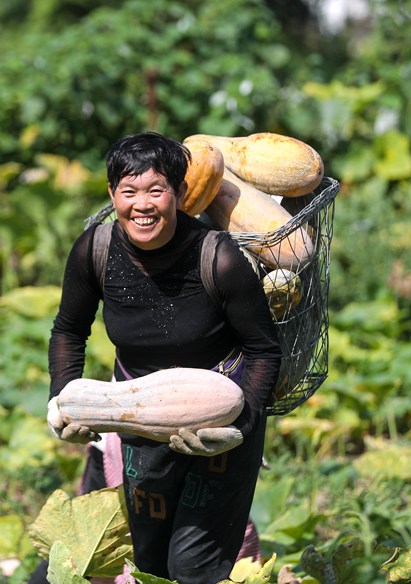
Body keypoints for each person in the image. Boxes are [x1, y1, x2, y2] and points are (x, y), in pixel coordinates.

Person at [42, 132, 282, 583]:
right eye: (129, 192)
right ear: (112, 195)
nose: (142, 205)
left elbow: (264, 349)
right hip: (140, 421)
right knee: (148, 562)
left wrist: (240, 428)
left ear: (179, 194)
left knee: (195, 566)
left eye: (156, 190)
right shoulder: (93, 250)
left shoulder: (219, 257)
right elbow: (68, 330)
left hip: (221, 419)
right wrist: (61, 400)